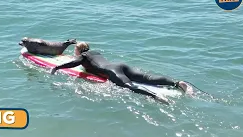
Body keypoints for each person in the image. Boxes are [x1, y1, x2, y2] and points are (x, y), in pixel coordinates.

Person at [50, 42, 193, 98]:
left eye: (75, 49)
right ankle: (177, 83)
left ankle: (155, 96)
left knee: (127, 86)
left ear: (79, 50)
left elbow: (72, 64)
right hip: (120, 65)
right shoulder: (95, 52)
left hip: (112, 72)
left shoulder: (83, 57)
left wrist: (56, 67)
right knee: (146, 78)